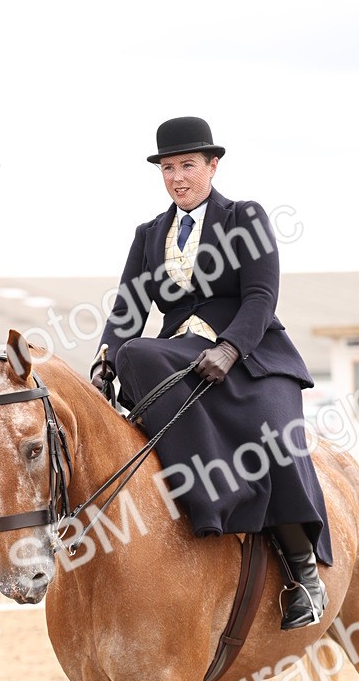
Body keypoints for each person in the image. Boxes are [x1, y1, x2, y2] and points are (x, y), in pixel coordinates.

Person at [90, 115, 332, 630]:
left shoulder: (245, 216)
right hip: (183, 354)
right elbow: (129, 306)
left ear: (212, 165)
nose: (178, 177)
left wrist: (229, 349)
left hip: (253, 355)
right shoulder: (149, 234)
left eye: (188, 165)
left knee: (274, 437)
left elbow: (262, 296)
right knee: (135, 353)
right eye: (168, 168)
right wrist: (105, 358)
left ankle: (303, 572)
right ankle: (207, 503)